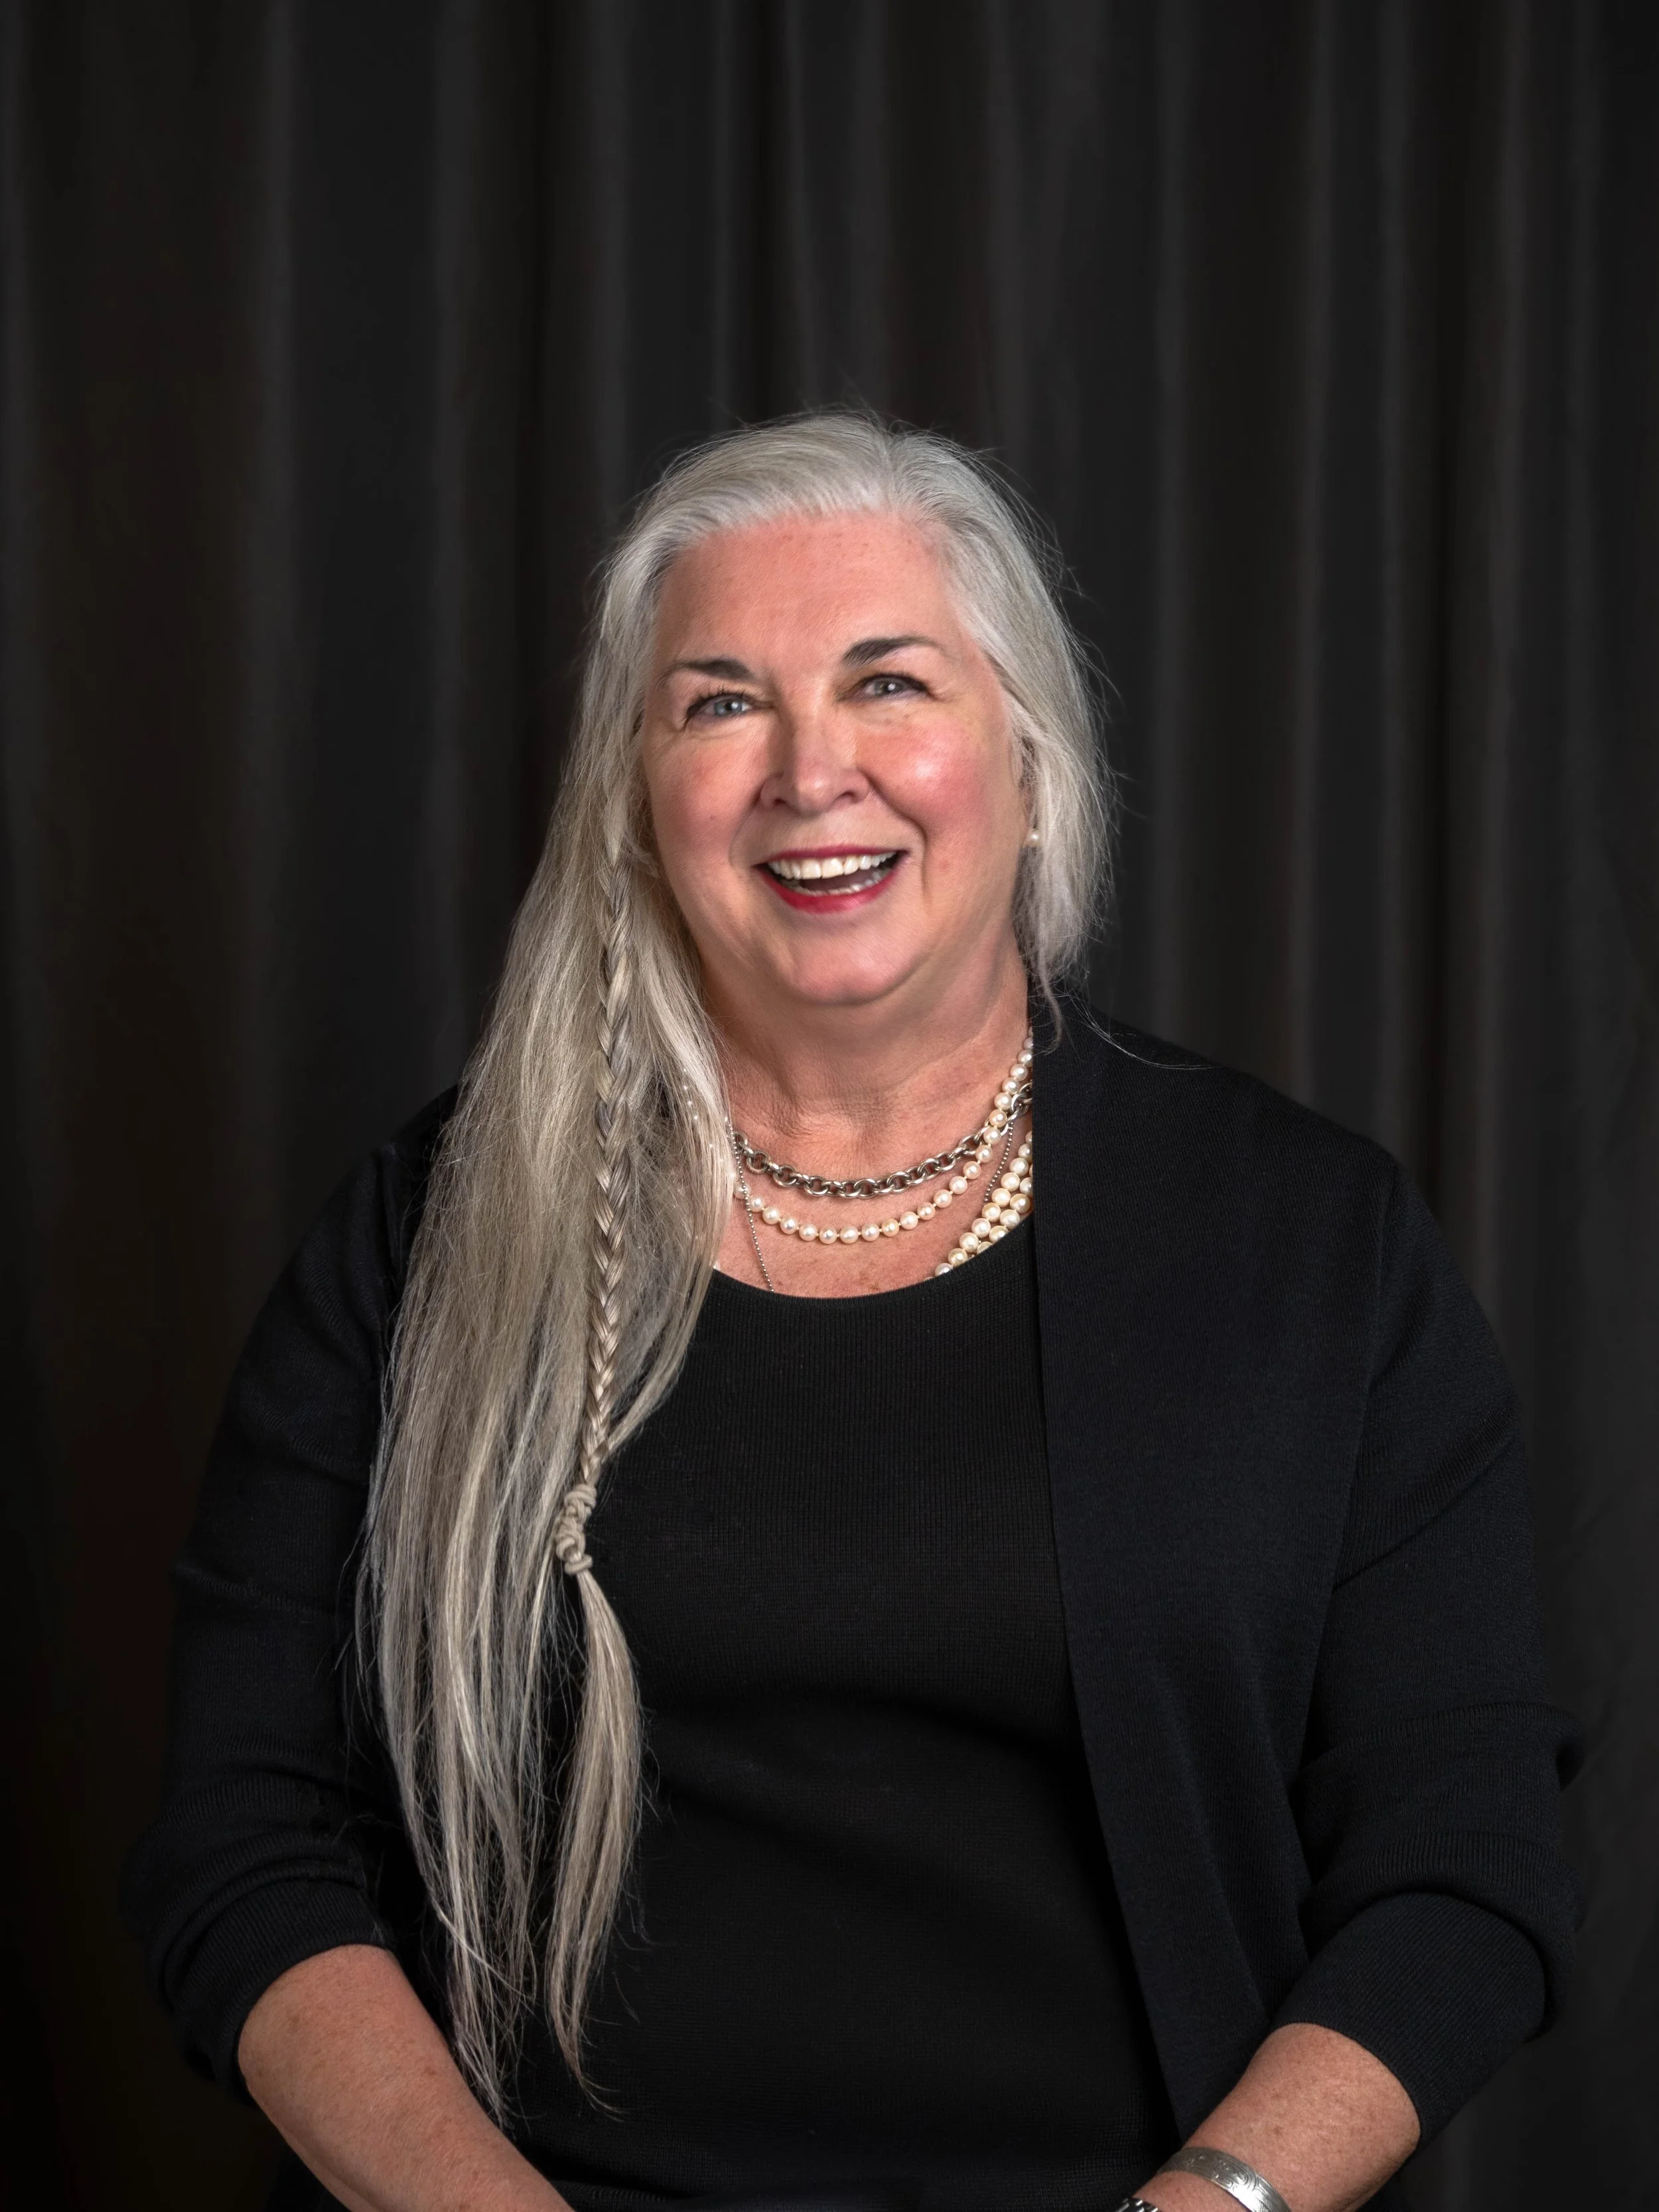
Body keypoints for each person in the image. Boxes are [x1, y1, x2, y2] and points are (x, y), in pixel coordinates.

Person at [125, 415, 1578, 2212]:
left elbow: (1463, 1855)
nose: (812, 772)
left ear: (1027, 756)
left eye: (889, 682)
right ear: (636, 797)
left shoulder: (1310, 1245)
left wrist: (1209, 2208)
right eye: (720, 703)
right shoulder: (421, 1236)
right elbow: (246, 1836)